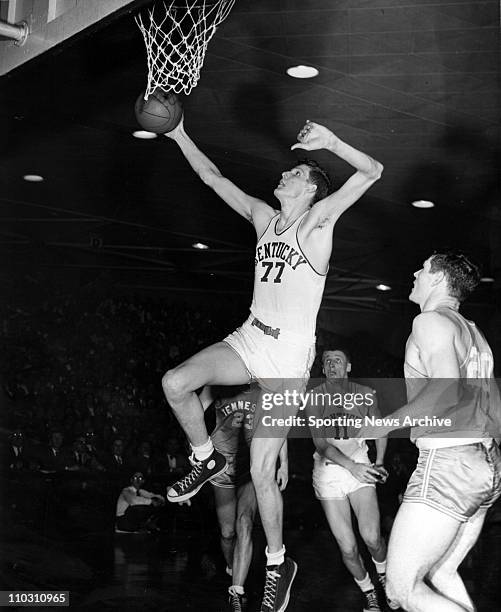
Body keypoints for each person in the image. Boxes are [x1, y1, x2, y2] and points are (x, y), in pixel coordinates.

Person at [162, 118, 383, 612]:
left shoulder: (318, 222)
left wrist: (331, 143)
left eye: (294, 172)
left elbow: (372, 171)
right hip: (249, 337)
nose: (282, 175)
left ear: (309, 187)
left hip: (287, 359)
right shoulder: (264, 217)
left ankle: (278, 566)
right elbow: (213, 178)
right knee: (176, 382)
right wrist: (178, 134)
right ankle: (205, 459)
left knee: (262, 474)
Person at [362, 251, 501, 612]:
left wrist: (383, 423)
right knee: (441, 572)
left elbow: (446, 390)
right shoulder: (474, 334)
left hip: (449, 463)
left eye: (422, 268)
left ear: (439, 279)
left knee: (401, 590)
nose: (414, 272)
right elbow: (496, 409)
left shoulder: (430, 322)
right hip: (483, 464)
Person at [306, 349, 393, 612]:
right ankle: (369, 593)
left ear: (349, 366)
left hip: (360, 469)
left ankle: (386, 577)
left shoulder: (365, 393)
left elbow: (379, 428)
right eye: (328, 361)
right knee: (348, 549)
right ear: (323, 368)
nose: (332, 364)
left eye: (338, 360)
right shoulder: (314, 397)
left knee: (372, 537)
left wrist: (378, 461)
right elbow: (321, 445)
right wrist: (351, 466)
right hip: (329, 475)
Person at [203, 384, 288, 611]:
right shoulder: (216, 384)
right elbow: (195, 416)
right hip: (225, 465)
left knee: (244, 522)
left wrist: (284, 464)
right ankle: (233, 568)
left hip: (253, 463)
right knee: (227, 533)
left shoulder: (263, 388)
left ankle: (236, 593)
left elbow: (278, 424)